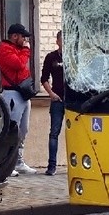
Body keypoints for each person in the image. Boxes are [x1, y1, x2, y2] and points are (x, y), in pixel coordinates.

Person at [0, 22, 36, 175]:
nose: (25, 40)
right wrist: (26, 50)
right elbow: (19, 64)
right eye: (23, 37)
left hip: (23, 94)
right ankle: (6, 164)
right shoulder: (4, 49)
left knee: (23, 129)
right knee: (11, 129)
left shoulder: (17, 49)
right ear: (14, 36)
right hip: (12, 94)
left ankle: (18, 161)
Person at [40, 30, 65, 175]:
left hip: (73, 101)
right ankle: (52, 166)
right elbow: (44, 78)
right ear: (57, 42)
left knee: (76, 133)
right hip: (57, 100)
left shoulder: (75, 57)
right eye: (62, 40)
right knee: (54, 133)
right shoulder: (51, 57)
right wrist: (51, 93)